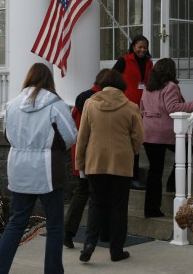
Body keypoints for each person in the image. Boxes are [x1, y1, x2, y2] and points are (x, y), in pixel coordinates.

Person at [0, 63, 77, 274]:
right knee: (55, 225)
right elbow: (70, 136)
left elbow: (7, 135)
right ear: (49, 80)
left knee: (16, 223)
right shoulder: (56, 104)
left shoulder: (12, 105)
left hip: (20, 168)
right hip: (48, 170)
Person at [75, 69, 144, 263]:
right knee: (119, 207)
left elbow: (82, 137)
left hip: (95, 162)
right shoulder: (130, 106)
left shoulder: (90, 104)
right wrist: (131, 151)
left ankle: (89, 245)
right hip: (122, 163)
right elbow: (139, 137)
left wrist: (80, 164)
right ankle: (116, 250)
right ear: (121, 85)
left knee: (96, 204)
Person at [139, 58, 193, 218]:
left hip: (148, 133)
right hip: (165, 132)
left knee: (155, 171)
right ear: (171, 70)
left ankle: (151, 208)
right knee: (187, 152)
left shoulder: (148, 87)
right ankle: (172, 184)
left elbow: (141, 107)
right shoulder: (171, 86)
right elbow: (173, 108)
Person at [64, 68, 111, 249]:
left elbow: (72, 121)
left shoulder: (81, 97)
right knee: (100, 194)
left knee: (82, 191)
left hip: (79, 150)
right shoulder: (99, 101)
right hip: (95, 152)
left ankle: (68, 232)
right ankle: (102, 234)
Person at [113, 35, 153, 190]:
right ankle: (129, 176)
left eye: (145, 47)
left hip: (142, 107)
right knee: (128, 142)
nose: (142, 50)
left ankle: (134, 176)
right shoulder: (124, 60)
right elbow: (113, 78)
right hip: (125, 105)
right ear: (133, 47)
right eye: (139, 47)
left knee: (136, 142)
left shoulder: (149, 64)